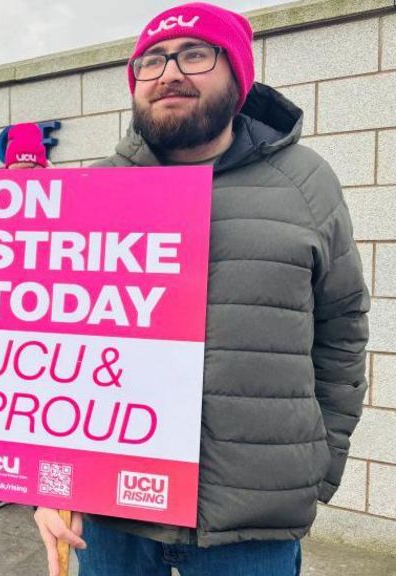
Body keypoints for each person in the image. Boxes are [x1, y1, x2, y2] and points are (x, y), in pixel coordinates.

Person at [33, 4, 369, 576]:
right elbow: (51, 352)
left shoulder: (306, 183)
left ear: (239, 75)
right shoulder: (96, 190)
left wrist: (321, 461)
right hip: (112, 516)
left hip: (251, 525)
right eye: (152, 61)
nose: (169, 73)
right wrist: (49, 485)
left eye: (194, 54)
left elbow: (343, 330)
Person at [0, 122, 50, 513]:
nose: (24, 179)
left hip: (52, 326)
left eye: (32, 169)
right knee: (10, 411)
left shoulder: (66, 197)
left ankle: (43, 491)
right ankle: (7, 482)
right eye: (16, 171)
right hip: (8, 327)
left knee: (48, 411)